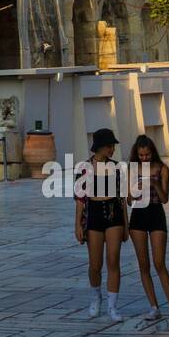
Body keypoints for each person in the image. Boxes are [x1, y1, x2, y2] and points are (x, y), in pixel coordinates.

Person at [74, 128, 127, 322]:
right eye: (109, 146)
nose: (112, 149)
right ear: (100, 147)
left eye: (113, 146)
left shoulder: (117, 168)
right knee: (95, 264)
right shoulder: (84, 168)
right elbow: (80, 199)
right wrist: (78, 225)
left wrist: (126, 225)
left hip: (114, 214)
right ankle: (96, 296)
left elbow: (122, 199)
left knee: (113, 260)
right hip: (93, 215)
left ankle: (113, 306)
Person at [127, 135, 169, 320]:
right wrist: (136, 189)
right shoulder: (132, 169)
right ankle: (154, 306)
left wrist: (155, 183)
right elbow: (128, 199)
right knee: (144, 264)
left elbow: (165, 199)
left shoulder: (163, 169)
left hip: (156, 214)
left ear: (152, 152)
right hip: (138, 216)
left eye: (147, 154)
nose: (144, 158)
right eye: (141, 155)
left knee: (159, 262)